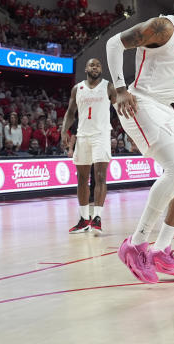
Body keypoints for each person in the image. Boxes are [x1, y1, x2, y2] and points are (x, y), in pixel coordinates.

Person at [108, 0, 174, 283]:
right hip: (140, 103)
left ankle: (161, 250)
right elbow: (114, 43)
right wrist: (121, 89)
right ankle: (135, 244)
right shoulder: (163, 26)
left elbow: (172, 66)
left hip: (165, 107)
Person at [62, 57, 117, 235]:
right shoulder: (77, 88)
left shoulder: (108, 86)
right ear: (86, 68)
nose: (95, 67)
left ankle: (98, 218)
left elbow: (119, 108)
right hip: (83, 135)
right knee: (81, 179)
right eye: (92, 64)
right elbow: (70, 112)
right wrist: (64, 131)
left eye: (98, 64)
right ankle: (84, 219)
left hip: (101, 135)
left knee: (100, 177)